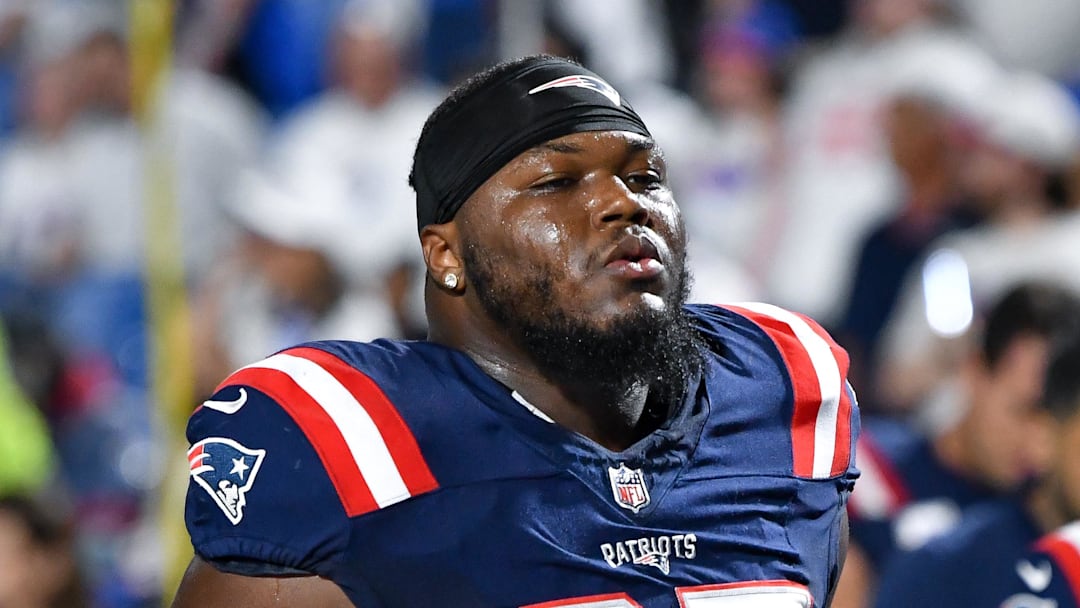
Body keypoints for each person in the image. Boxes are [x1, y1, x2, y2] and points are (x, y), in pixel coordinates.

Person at [171, 54, 859, 607]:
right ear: (447, 256)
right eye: (557, 183)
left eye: (645, 176)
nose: (622, 203)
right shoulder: (351, 442)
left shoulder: (778, 390)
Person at [835, 281, 1080, 607]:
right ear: (974, 370)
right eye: (1025, 410)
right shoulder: (858, 466)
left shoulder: (1047, 530)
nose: (1036, 436)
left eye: (1057, 418)